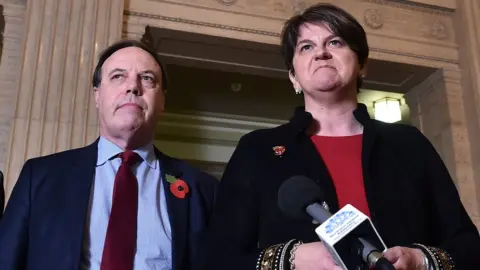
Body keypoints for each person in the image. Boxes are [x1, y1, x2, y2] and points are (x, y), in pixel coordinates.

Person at [204, 3, 480, 270]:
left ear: (362, 65)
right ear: (293, 77)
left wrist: (420, 260)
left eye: (335, 42)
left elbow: (468, 246)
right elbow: (219, 256)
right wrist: (291, 259)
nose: (321, 53)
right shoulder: (257, 149)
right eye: (306, 47)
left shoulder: (408, 143)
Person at [0, 39, 218, 270]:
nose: (133, 86)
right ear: (97, 95)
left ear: (162, 100)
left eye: (147, 78)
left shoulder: (202, 190)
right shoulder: (40, 176)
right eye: (118, 76)